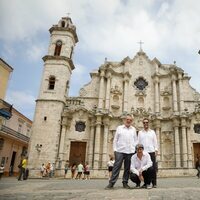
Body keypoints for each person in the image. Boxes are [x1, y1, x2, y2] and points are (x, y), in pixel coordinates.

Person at [105, 114, 138, 189]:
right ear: (125, 120)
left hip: (130, 151)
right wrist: (115, 150)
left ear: (132, 121)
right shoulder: (119, 128)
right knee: (116, 167)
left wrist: (134, 149)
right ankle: (111, 183)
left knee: (127, 168)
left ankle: (125, 182)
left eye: (130, 120)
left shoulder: (133, 129)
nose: (128, 121)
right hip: (120, 150)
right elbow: (115, 139)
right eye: (127, 119)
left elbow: (136, 140)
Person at [138, 118, 158, 188]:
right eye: (144, 123)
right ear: (143, 124)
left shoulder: (152, 132)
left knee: (153, 168)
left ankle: (154, 183)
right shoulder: (140, 133)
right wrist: (139, 151)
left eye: (147, 122)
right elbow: (139, 143)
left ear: (148, 123)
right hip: (144, 153)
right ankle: (146, 183)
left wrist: (156, 149)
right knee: (144, 168)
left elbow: (155, 141)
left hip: (151, 151)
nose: (145, 124)